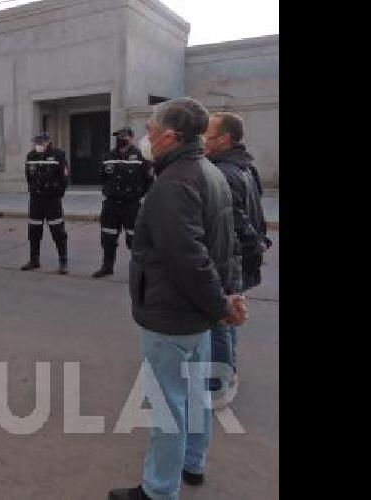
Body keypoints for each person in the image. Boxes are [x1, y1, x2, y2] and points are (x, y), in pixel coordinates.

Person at [110, 98, 247, 500]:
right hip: (199, 314)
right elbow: (228, 245)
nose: (145, 140)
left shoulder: (174, 184)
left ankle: (158, 490)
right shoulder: (210, 172)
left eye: (150, 132)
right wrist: (227, 298)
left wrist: (223, 305)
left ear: (170, 136)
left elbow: (190, 259)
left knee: (167, 405)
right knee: (195, 395)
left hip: (173, 315)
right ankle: (193, 463)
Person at [202, 112, 271, 406]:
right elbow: (255, 209)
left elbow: (235, 218)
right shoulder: (245, 167)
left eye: (209, 134)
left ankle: (217, 386)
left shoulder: (223, 173)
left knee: (220, 318)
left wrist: (255, 239)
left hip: (228, 258)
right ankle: (228, 372)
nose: (204, 139)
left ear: (225, 139)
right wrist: (260, 238)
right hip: (238, 258)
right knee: (230, 316)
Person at [93, 126, 154, 278]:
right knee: (108, 237)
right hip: (111, 205)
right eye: (118, 136)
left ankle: (140, 271)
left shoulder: (141, 157)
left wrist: (138, 195)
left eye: (123, 136)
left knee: (135, 240)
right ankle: (107, 267)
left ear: (131, 138)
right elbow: (102, 177)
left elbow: (149, 181)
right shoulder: (108, 156)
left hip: (131, 206)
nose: (120, 139)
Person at [21, 132, 70, 274]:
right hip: (36, 200)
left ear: (48, 142)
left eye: (41, 142)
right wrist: (33, 190)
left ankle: (63, 261)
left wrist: (58, 193)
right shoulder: (31, 156)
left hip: (52, 200)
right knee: (34, 231)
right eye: (36, 142)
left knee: (58, 232)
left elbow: (64, 177)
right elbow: (29, 176)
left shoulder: (58, 155)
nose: (38, 145)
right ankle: (34, 260)